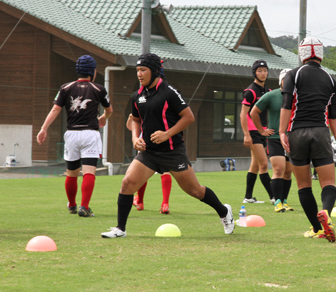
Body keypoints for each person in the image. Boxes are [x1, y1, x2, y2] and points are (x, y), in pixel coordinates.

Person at [101, 53, 233, 238]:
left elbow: (189, 117)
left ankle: (224, 212)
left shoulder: (169, 92)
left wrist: (167, 134)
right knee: (127, 183)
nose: (139, 74)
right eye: (137, 70)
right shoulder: (137, 96)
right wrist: (134, 138)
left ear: (155, 71)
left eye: (143, 70)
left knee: (195, 191)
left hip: (172, 152)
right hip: (148, 153)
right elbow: (135, 120)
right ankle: (120, 229)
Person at [279, 36, 336, 242]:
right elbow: (333, 116)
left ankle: (316, 228)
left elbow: (287, 104)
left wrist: (282, 131)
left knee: (303, 185)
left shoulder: (293, 74)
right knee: (328, 182)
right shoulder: (331, 80)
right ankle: (326, 211)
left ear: (301, 53)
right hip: (321, 133)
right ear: (320, 54)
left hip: (297, 133)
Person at [37, 55, 113, 217]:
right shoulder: (99, 89)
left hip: (71, 134)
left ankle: (72, 205)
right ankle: (84, 207)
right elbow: (109, 110)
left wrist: (43, 128)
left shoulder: (65, 88)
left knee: (71, 173)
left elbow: (55, 109)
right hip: (90, 134)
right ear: (92, 71)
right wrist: (104, 118)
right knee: (89, 172)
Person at [250, 68, 294, 213]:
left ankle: (285, 201)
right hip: (275, 138)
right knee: (279, 169)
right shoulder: (271, 95)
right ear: (281, 80)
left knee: (288, 172)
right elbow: (253, 112)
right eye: (286, 79)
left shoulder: (296, 96)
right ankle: (277, 201)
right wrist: (262, 131)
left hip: (292, 139)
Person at [239, 59, 274, 204]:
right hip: (253, 132)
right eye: (260, 71)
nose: (263, 73)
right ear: (254, 73)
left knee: (255, 165)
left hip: (264, 131)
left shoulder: (268, 91)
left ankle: (248, 197)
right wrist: (246, 134)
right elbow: (243, 114)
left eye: (265, 70)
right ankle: (274, 197)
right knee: (264, 164)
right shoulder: (250, 91)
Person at [126, 113, 173, 214]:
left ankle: (140, 202)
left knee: (142, 174)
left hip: (146, 142)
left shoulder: (143, 105)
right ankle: (165, 204)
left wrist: (131, 118)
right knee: (165, 171)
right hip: (163, 141)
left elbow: (131, 127)